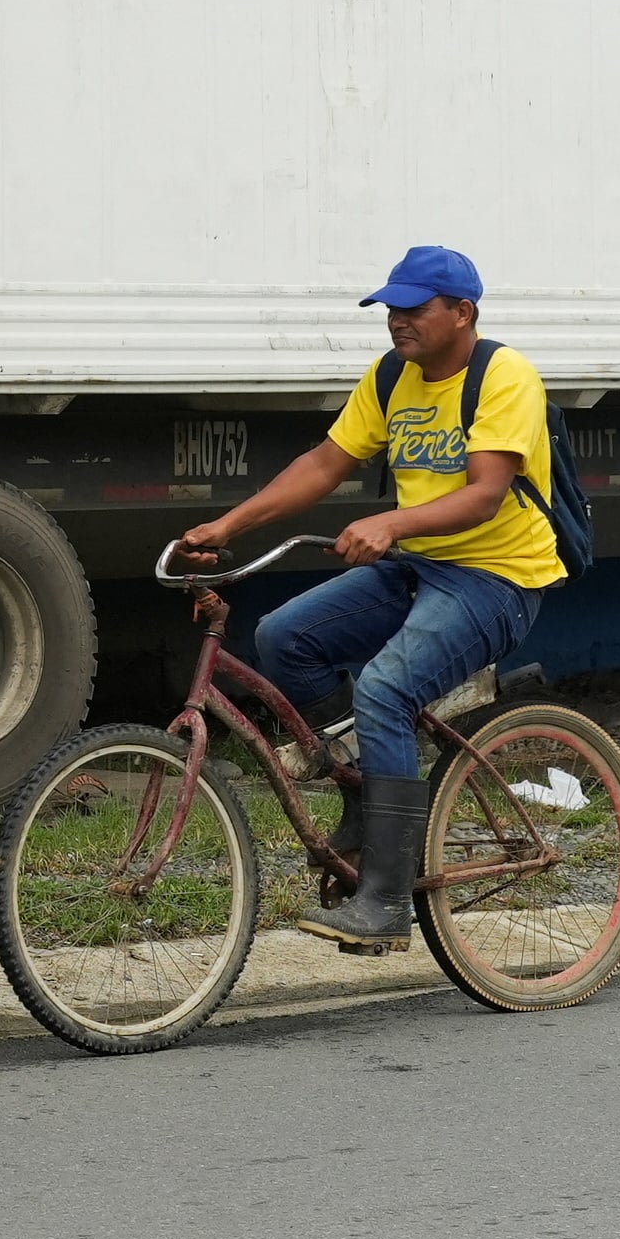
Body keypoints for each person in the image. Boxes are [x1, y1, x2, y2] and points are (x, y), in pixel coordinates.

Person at [173, 245, 565, 949]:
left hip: (497, 577)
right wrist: (227, 526)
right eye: (390, 308)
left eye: (413, 308)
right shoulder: (392, 377)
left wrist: (391, 523)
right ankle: (363, 796)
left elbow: (484, 494)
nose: (396, 320)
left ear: (462, 313)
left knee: (384, 692)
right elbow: (324, 463)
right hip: (419, 567)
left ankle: (385, 903)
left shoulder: (504, 376)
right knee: (284, 638)